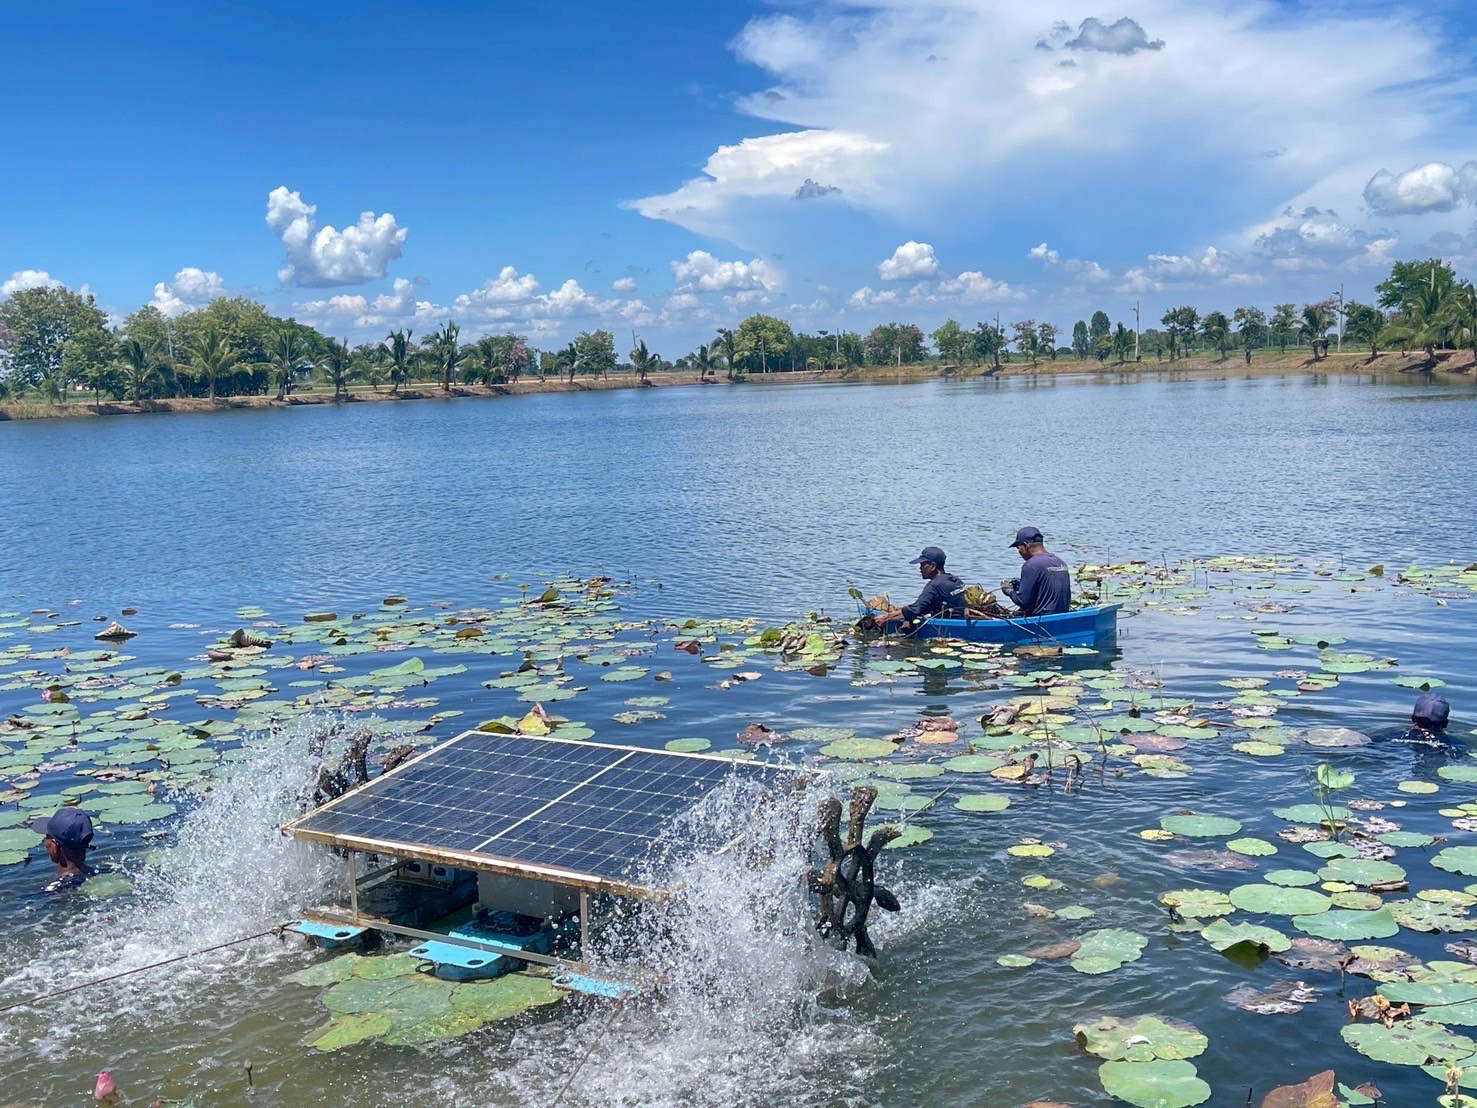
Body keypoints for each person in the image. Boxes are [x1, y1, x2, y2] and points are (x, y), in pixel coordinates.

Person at [873, 546, 966, 629]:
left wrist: (885, 618)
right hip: (961, 621)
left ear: (933, 566)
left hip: (949, 627)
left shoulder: (934, 585)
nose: (920, 568)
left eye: (922, 564)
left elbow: (915, 610)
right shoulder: (955, 580)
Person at [1002, 527, 1071, 616]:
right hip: (1063, 615)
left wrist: (1009, 591)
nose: (1018, 552)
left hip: (1044, 618)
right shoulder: (1060, 562)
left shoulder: (1031, 565)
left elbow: (1023, 601)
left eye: (1018, 548)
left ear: (1025, 546)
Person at [30, 806, 94, 892]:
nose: (44, 843)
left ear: (54, 846)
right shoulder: (97, 874)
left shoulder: (52, 890)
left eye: (46, 838)